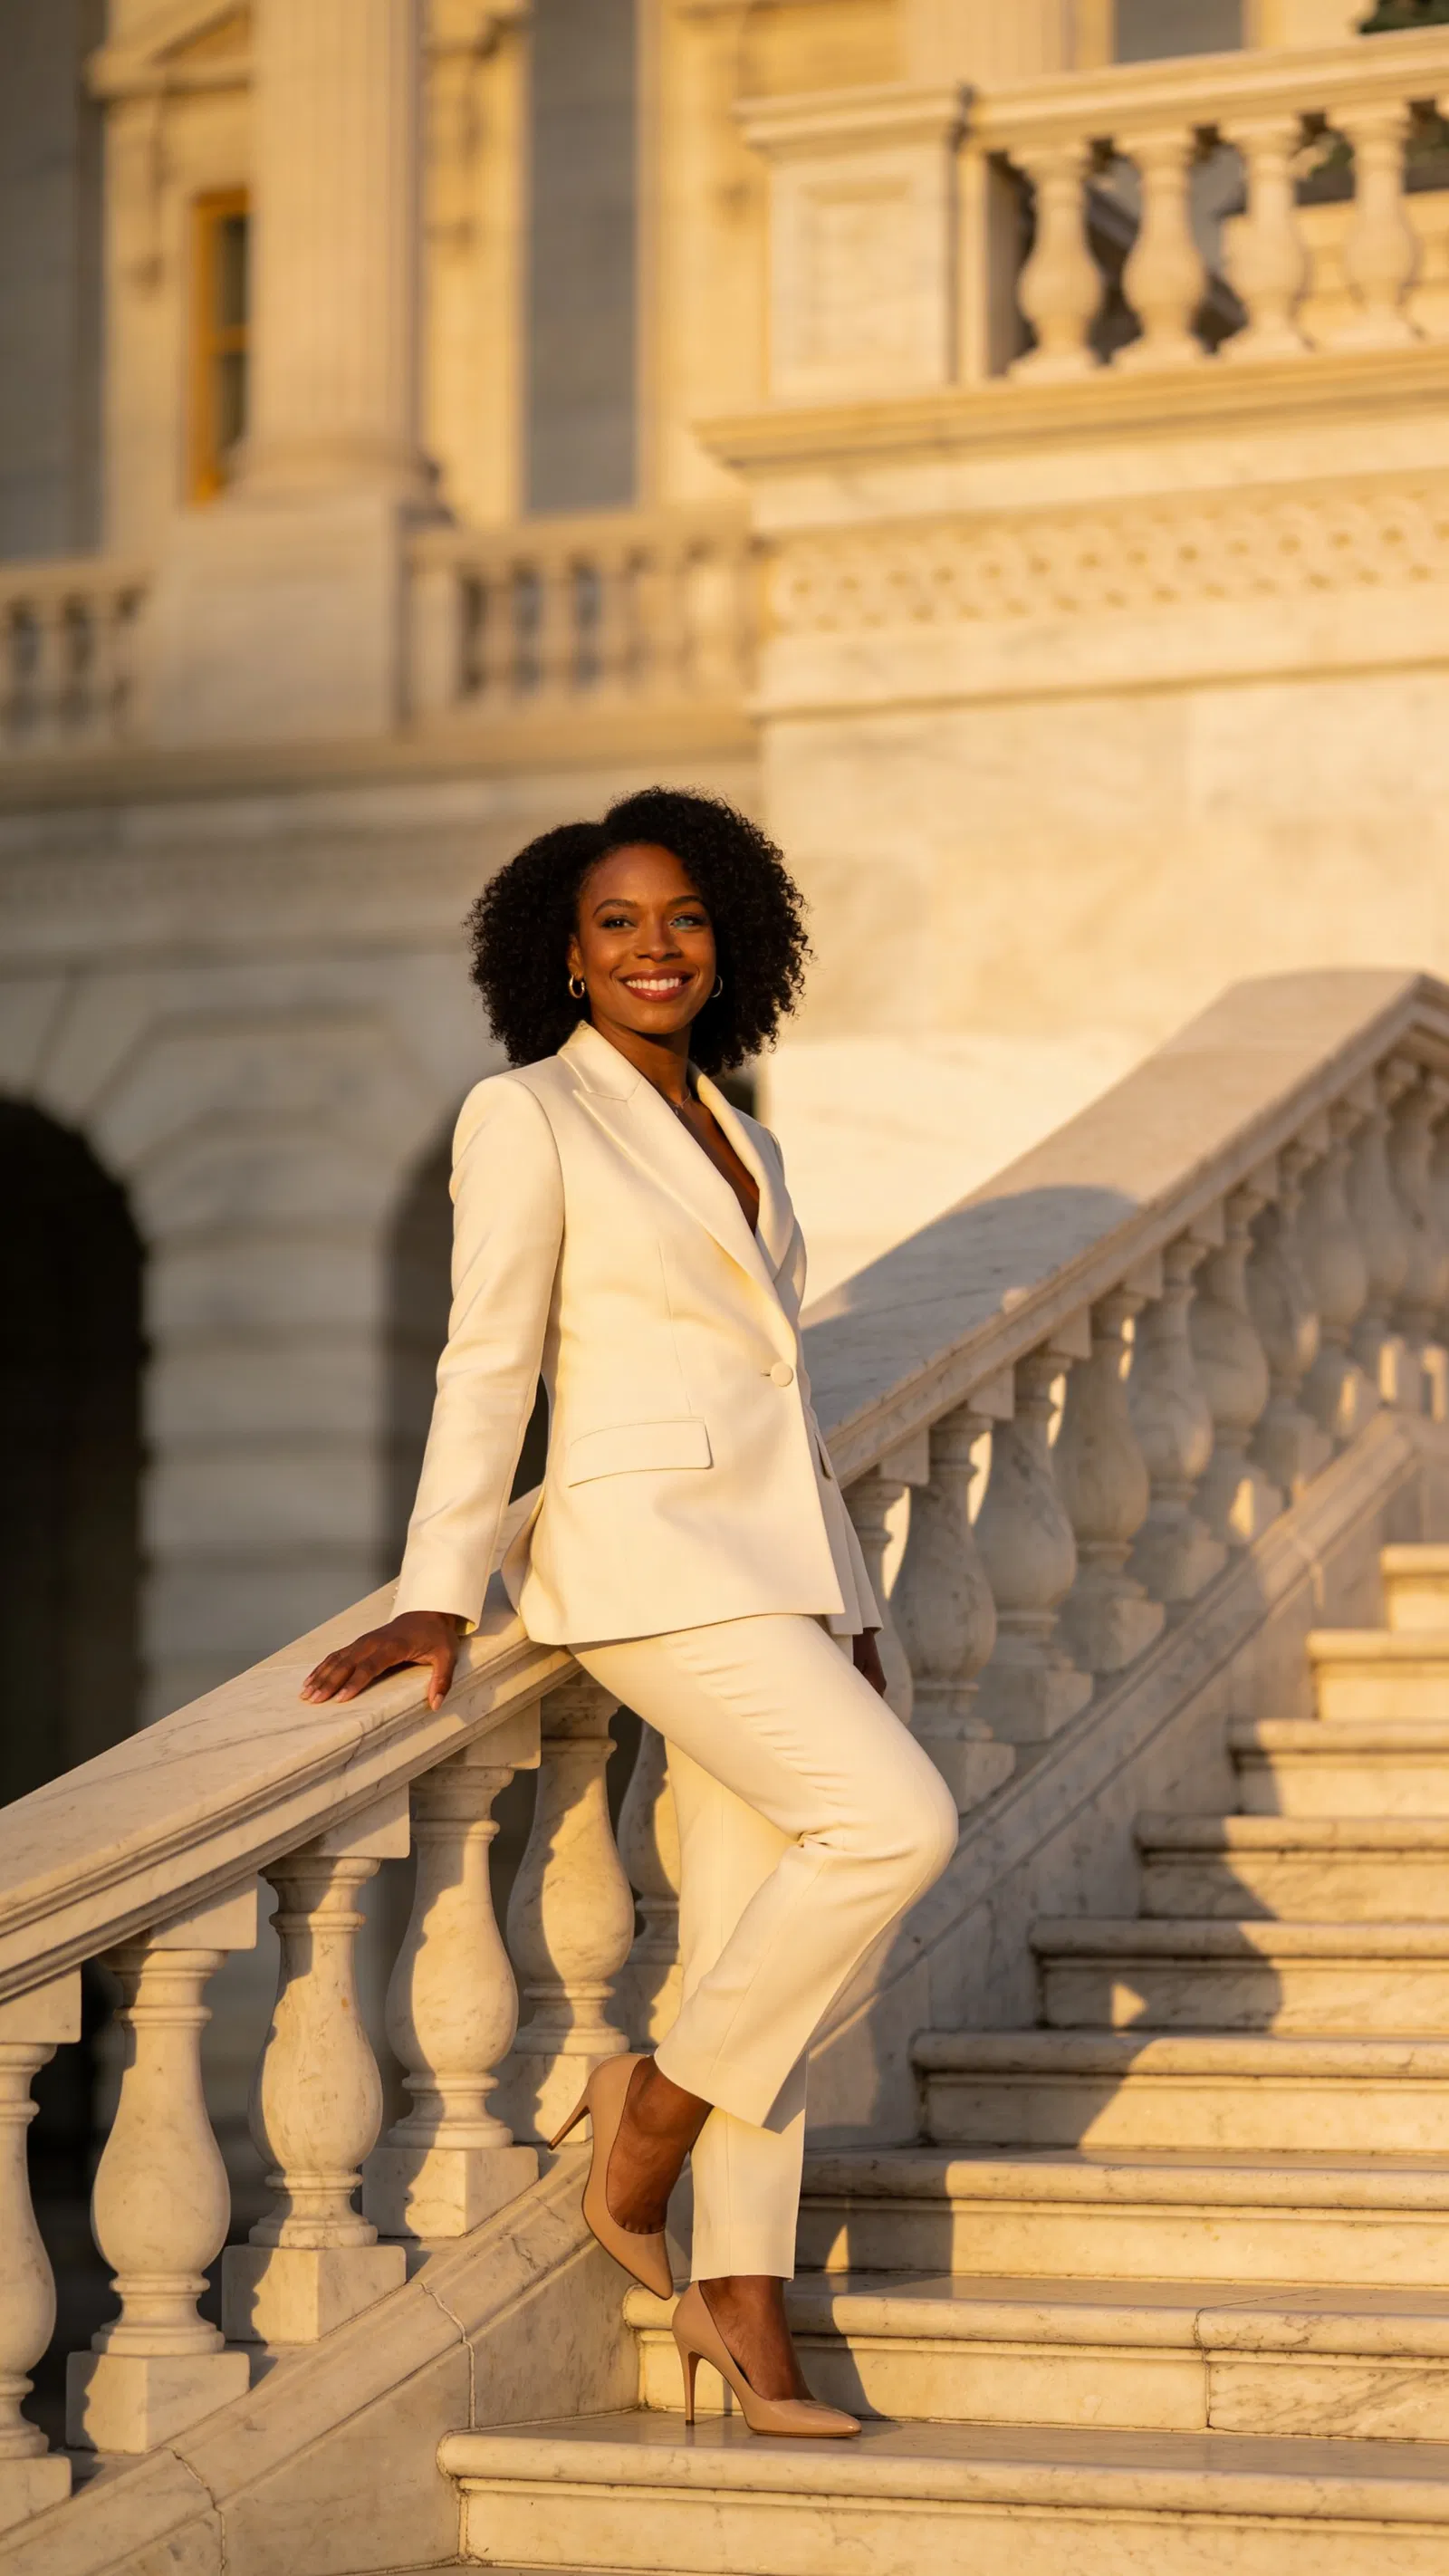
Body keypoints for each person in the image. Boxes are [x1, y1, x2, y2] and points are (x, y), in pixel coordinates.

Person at [302, 786, 958, 2437]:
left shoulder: (748, 1130)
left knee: (758, 1926)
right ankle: (649, 2113)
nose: (655, 947)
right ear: (567, 959)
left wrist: (848, 1594)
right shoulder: (525, 1116)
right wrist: (440, 1590)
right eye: (618, 924)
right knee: (894, 1824)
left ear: (726, 938)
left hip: (778, 1569)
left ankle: (743, 2303)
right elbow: (489, 1357)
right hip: (648, 1558)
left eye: (681, 918)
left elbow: (781, 1389)